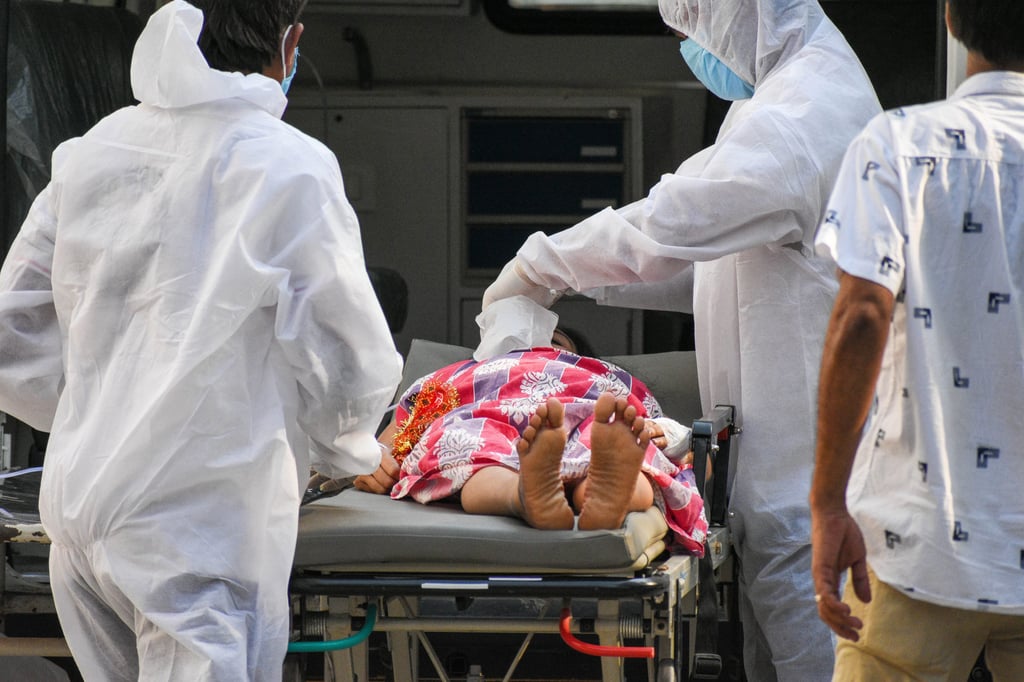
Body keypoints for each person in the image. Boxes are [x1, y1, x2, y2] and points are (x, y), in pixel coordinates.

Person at [0, 0, 403, 679]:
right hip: (197, 540)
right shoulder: (289, 167)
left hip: (81, 524)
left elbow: (11, 332)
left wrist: (106, 409)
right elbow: (350, 367)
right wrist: (343, 451)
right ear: (291, 42)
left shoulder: (94, 152)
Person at [480, 0, 881, 678]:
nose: (681, 40)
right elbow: (710, 260)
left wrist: (542, 263)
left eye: (688, 21)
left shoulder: (800, 121)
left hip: (803, 493)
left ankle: (547, 484)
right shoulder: (779, 98)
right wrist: (566, 281)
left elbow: (671, 226)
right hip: (778, 484)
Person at [810, 1, 1024, 678]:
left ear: (952, 18)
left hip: (920, 542)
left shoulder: (899, 143)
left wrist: (826, 504)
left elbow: (863, 315)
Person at [338, 336, 708, 554]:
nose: (538, 343)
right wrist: (372, 461)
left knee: (621, 440)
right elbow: (383, 446)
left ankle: (588, 491)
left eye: (556, 339)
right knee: (470, 449)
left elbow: (684, 450)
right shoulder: (455, 375)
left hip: (587, 404)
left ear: (579, 352)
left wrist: (676, 438)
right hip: (478, 408)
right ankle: (542, 492)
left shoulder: (604, 377)